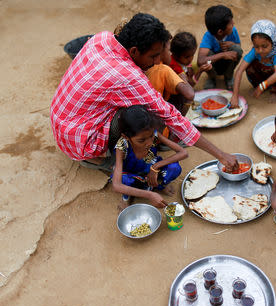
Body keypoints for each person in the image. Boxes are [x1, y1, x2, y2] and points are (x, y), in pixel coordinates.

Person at [50, 13, 237, 174]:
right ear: (134, 51)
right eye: (153, 56)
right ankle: (101, 159)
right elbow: (170, 115)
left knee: (135, 105)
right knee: (138, 113)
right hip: (79, 141)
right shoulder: (128, 76)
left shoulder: (102, 38)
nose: (157, 61)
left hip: (61, 122)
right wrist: (221, 155)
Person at [111, 106, 188, 210]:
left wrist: (156, 166)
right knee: (125, 180)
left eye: (151, 136)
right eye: (141, 141)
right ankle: (126, 198)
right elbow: (116, 185)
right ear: (126, 137)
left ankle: (161, 185)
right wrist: (150, 195)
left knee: (174, 168)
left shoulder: (154, 134)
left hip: (152, 170)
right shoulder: (122, 146)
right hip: (133, 175)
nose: (149, 143)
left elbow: (183, 153)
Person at [230, 20, 276, 108]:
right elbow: (240, 70)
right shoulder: (255, 52)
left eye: (264, 46)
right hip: (263, 78)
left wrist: (262, 87)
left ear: (273, 42)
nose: (260, 50)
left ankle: (275, 91)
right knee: (249, 65)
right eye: (256, 46)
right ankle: (259, 85)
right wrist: (235, 95)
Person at [197, 5, 243, 90]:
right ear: (220, 31)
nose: (233, 23)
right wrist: (223, 55)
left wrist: (232, 44)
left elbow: (238, 47)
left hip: (227, 64)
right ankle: (212, 78)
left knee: (237, 49)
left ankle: (228, 77)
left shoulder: (233, 31)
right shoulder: (208, 36)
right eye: (230, 23)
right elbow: (200, 61)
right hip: (213, 65)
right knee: (207, 57)